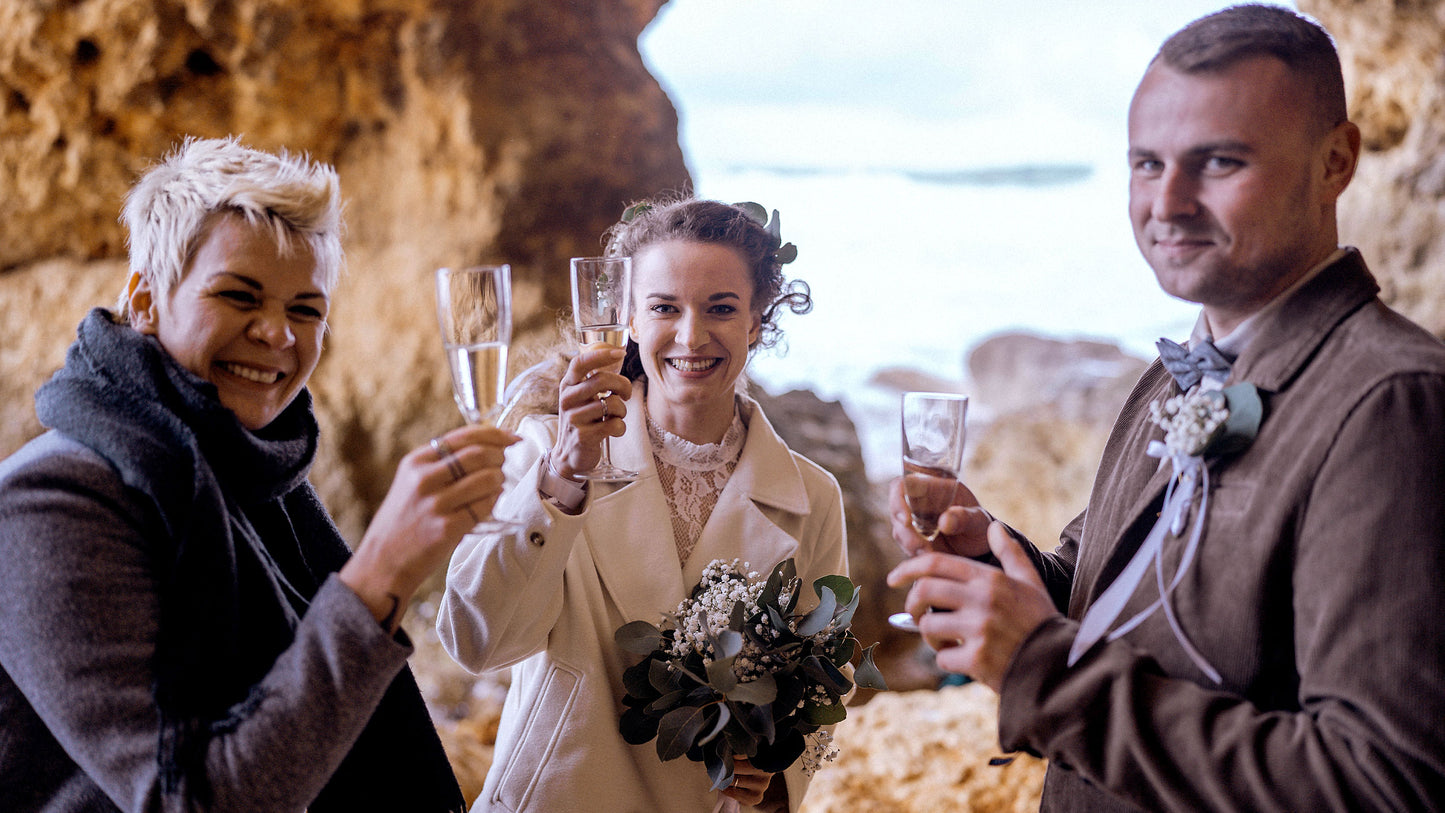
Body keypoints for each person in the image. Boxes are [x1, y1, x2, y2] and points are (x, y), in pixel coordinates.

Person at [887, 6, 1445, 811]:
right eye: (1146, 164)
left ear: (1336, 161)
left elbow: (1377, 781)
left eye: (1217, 162)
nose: (1168, 201)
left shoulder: (1392, 405)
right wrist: (989, 559)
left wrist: (1042, 671)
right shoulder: (1172, 377)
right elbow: (1101, 594)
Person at [0, 136, 518, 812]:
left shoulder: (261, 476)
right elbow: (191, 801)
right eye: (239, 296)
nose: (277, 334)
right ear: (146, 299)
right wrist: (381, 575)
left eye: (305, 308)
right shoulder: (52, 501)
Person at [437, 197, 846, 812]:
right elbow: (476, 644)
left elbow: (822, 687)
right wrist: (563, 477)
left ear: (758, 321)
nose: (691, 335)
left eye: (722, 309)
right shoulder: (546, 451)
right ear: (626, 315)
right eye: (663, 307)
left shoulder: (812, 497)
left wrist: (775, 774)